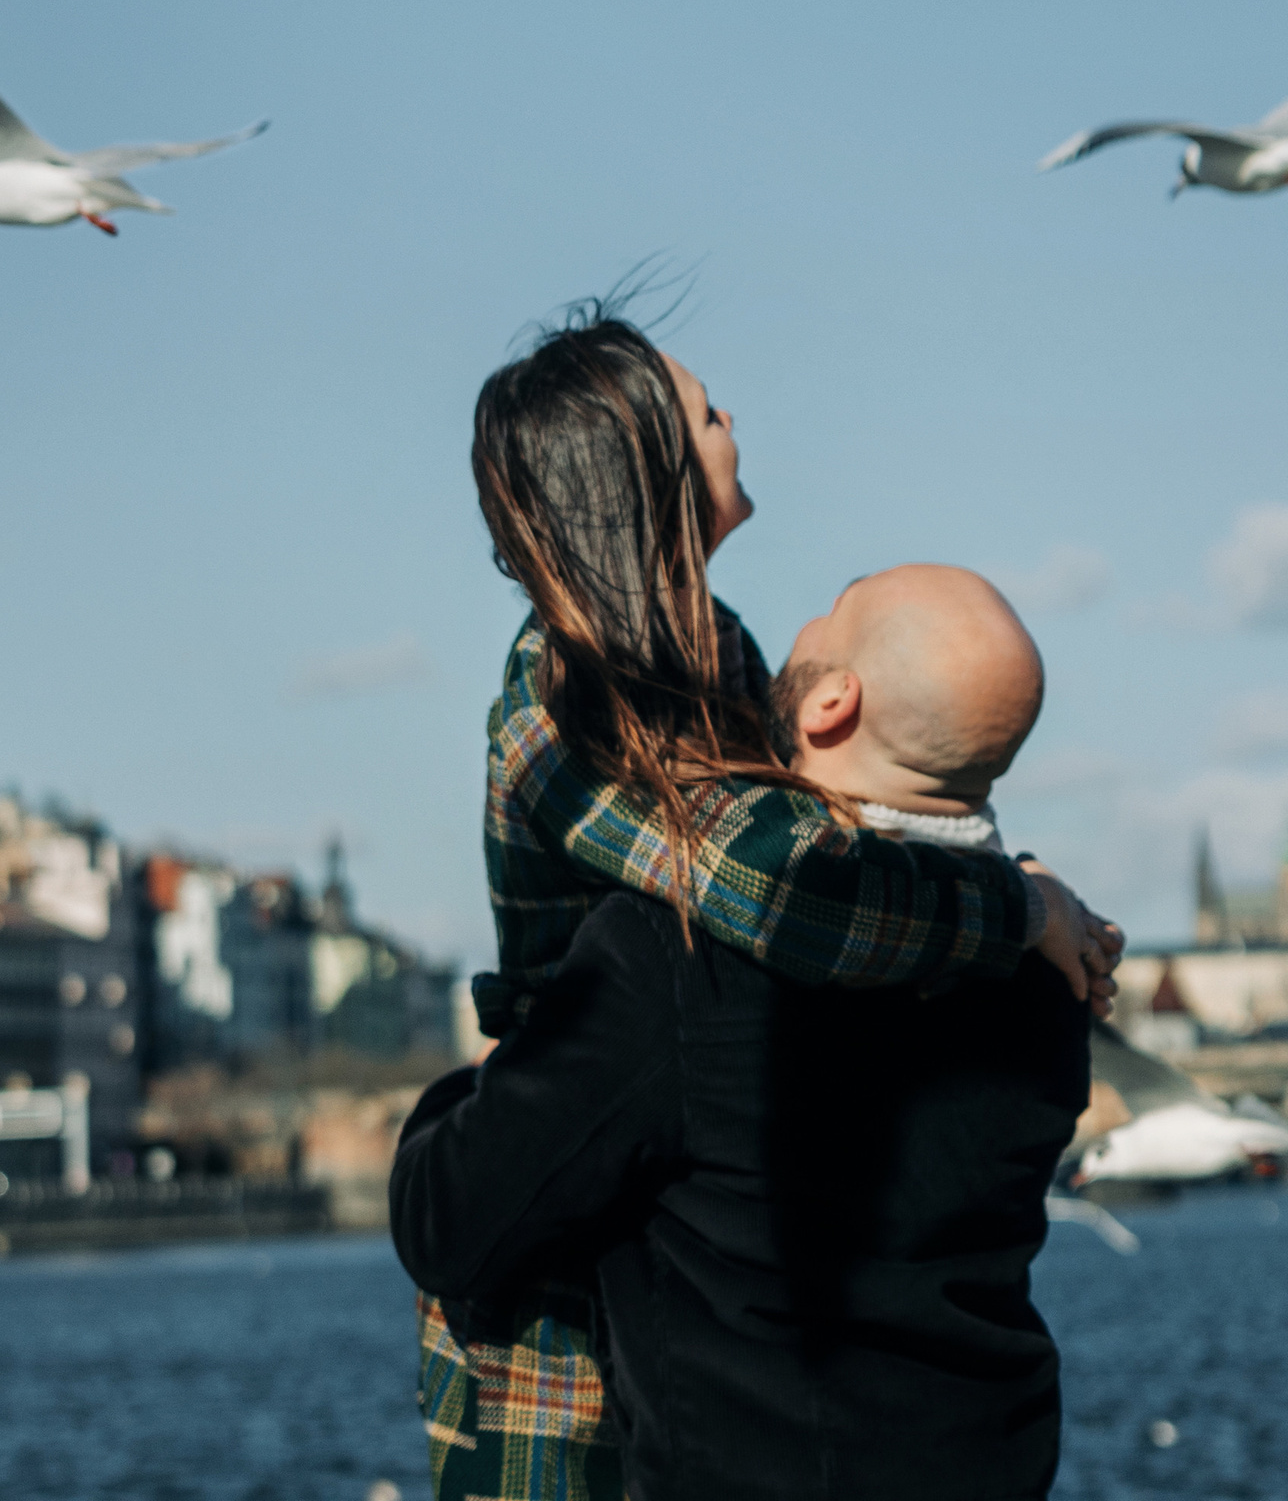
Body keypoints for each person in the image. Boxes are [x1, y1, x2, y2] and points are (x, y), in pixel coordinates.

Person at [416, 308, 1119, 1500]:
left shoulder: (723, 651)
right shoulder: (563, 702)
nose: (730, 416)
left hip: (657, 1169)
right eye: (702, 411)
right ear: (636, 475)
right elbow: (788, 892)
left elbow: (808, 865)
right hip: (556, 1221)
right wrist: (1016, 905)